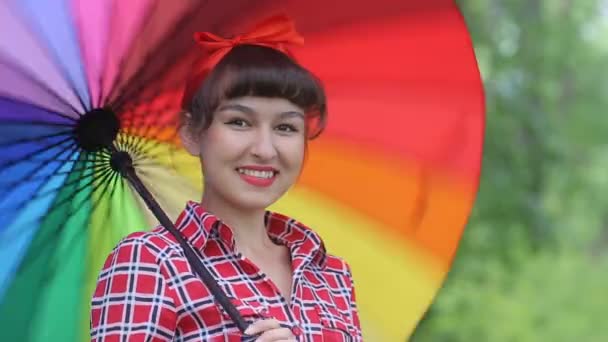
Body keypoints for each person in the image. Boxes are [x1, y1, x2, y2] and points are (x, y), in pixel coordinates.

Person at [90, 15, 362, 341]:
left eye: (286, 127)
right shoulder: (151, 261)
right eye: (239, 122)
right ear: (192, 132)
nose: (265, 149)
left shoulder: (331, 274)